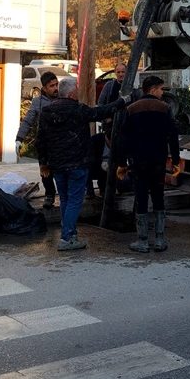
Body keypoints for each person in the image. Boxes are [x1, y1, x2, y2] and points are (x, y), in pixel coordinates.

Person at [36, 77, 128, 250]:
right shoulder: (78, 109)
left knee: (64, 199)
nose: (79, 92)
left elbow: (40, 140)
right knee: (74, 201)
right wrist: (122, 101)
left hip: (57, 164)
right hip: (77, 163)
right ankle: (67, 237)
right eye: (77, 89)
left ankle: (69, 233)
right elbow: (101, 112)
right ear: (71, 93)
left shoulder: (47, 111)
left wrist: (43, 163)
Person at [121, 75, 180, 253]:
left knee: (141, 197)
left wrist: (122, 163)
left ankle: (142, 240)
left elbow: (124, 138)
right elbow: (173, 136)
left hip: (138, 161)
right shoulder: (165, 108)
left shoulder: (131, 109)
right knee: (158, 196)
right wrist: (175, 161)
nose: (162, 93)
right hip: (158, 161)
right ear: (153, 89)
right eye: (161, 89)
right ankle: (160, 239)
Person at [15, 71, 58, 208]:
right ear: (44, 88)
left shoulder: (63, 98)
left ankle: (65, 195)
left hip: (61, 143)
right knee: (45, 172)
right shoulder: (38, 102)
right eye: (52, 86)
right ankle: (50, 195)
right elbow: (28, 121)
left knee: (62, 171)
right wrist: (19, 138)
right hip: (44, 144)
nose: (55, 88)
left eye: (57, 84)